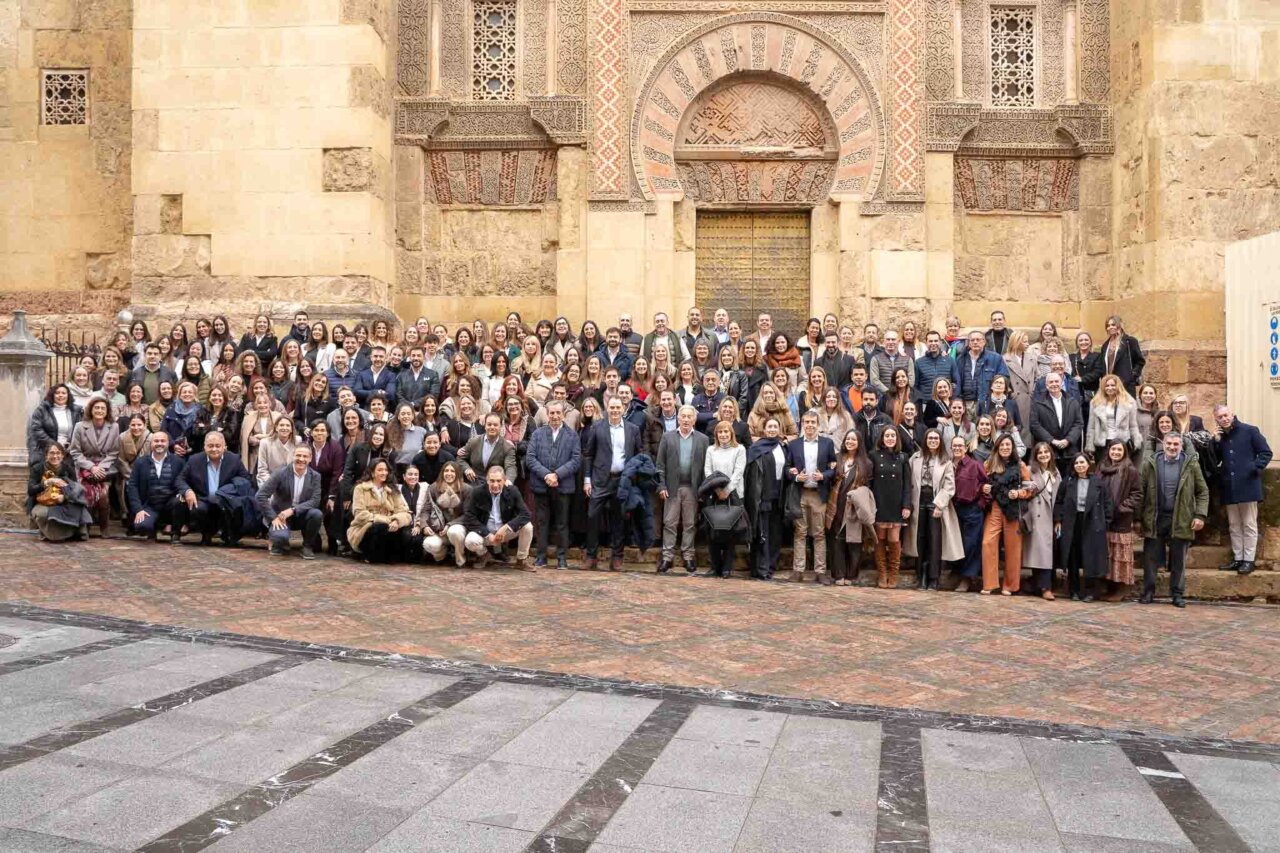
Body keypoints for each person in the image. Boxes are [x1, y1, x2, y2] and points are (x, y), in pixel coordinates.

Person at [1139, 432, 1208, 608]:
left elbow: (1202, 491)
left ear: (1181, 446)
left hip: (1181, 518)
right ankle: (1148, 591)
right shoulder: (1150, 463)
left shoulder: (1191, 464)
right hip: (1155, 517)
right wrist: (1138, 518)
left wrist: (1200, 515)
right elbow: (1140, 491)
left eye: (1176, 444)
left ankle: (1177, 594)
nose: (1172, 447)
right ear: (1163, 444)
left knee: (1178, 560)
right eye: (1169, 443)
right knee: (1150, 558)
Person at [583, 396, 644, 571]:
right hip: (600, 480)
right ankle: (591, 556)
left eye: (618, 407)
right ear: (607, 408)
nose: (615, 410)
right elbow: (588, 454)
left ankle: (617, 557)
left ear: (624, 409)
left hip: (622, 481)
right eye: (612, 407)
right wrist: (587, 480)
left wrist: (633, 478)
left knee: (619, 519)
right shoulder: (597, 427)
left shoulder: (633, 430)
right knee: (592, 517)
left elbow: (639, 454)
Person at [1213, 405, 1273, 576]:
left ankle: (1249, 560)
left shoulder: (1250, 430)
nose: (1224, 419)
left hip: (1248, 485)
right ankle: (1238, 558)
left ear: (1232, 415)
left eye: (1226, 415)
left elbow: (1266, 453)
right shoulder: (1220, 438)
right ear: (1216, 420)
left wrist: (1253, 468)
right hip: (1229, 486)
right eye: (1220, 417)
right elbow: (1216, 459)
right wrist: (1216, 442)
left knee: (1249, 524)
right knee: (1234, 525)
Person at [903, 429, 962, 591]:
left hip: (936, 502)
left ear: (940, 441)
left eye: (936, 438)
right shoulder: (915, 459)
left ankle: (933, 578)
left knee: (935, 541)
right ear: (925, 440)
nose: (933, 441)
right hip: (918, 501)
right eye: (930, 438)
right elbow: (908, 482)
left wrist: (939, 505)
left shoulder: (946, 461)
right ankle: (921, 576)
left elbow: (949, 486)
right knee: (920, 540)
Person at [525, 400, 581, 568]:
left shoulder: (572, 435)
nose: (555, 416)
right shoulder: (537, 434)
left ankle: (561, 558)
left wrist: (557, 475)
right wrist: (546, 475)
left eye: (558, 413)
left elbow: (576, 460)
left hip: (563, 486)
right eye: (552, 413)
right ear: (547, 414)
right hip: (541, 485)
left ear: (563, 414)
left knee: (562, 523)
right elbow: (530, 458)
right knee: (542, 522)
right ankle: (541, 556)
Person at [785, 410, 838, 583]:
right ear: (802, 424)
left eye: (812, 422)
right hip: (800, 493)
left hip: (818, 494)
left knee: (819, 533)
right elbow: (787, 468)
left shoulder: (827, 444)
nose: (809, 425)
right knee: (800, 532)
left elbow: (834, 469)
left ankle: (820, 571)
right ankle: (798, 570)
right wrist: (794, 476)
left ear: (818, 425)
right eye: (806, 422)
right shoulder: (794, 445)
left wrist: (824, 476)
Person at [172, 431, 252, 546]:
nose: (214, 449)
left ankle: (228, 534)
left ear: (224, 446)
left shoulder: (234, 460)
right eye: (210, 446)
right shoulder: (194, 460)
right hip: (201, 499)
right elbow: (180, 479)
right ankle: (200, 534)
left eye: (218, 446)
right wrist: (187, 491)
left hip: (223, 501)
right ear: (204, 446)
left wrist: (230, 491)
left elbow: (246, 480)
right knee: (188, 505)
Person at [656, 405, 709, 574]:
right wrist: (662, 485)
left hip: (692, 488)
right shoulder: (667, 437)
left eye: (689, 417)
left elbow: (705, 467)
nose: (686, 419)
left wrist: (702, 490)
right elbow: (660, 465)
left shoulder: (703, 439)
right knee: (670, 523)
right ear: (678, 419)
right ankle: (667, 557)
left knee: (689, 523)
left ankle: (688, 556)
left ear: (694, 419)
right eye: (683, 416)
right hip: (672, 487)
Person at [450, 465, 535, 569]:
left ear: (504, 481)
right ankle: (484, 555)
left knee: (528, 526)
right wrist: (487, 534)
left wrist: (506, 527)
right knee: (470, 541)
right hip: (485, 533)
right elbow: (469, 517)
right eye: (492, 481)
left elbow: (526, 514)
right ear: (487, 480)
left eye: (499, 481)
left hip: (505, 532)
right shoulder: (477, 492)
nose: (495, 485)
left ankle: (521, 560)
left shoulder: (513, 491)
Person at [1054, 453, 1113, 602]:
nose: (1080, 465)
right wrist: (1058, 520)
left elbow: (1107, 504)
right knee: (1073, 556)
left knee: (1090, 556)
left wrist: (1104, 523)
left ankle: (1090, 591)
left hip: (1092, 522)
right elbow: (1059, 502)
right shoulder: (1067, 482)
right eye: (1076, 463)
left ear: (1088, 464)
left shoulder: (1098, 482)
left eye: (1082, 462)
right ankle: (1073, 590)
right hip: (1072, 521)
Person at [981, 434, 1032, 595]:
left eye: (1008, 445)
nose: (1005, 448)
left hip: (1012, 509)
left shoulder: (1020, 465)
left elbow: (1031, 490)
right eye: (1002, 445)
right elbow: (981, 483)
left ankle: (1010, 586)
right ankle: (989, 584)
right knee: (987, 543)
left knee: (1013, 548)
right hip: (995, 506)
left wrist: (1019, 493)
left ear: (1012, 448)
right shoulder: (989, 464)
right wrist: (984, 488)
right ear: (997, 448)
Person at [825, 429, 874, 585]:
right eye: (848, 439)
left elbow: (868, 486)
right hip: (836, 503)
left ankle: (851, 575)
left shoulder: (866, 463)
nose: (850, 442)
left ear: (859, 443)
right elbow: (829, 479)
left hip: (854, 506)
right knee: (836, 538)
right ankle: (838, 574)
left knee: (854, 540)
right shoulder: (836, 459)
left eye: (854, 439)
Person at [257, 443, 323, 559]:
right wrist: (273, 518)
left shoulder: (315, 476)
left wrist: (293, 510)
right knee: (280, 539)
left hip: (302, 515)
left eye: (305, 456)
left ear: (310, 458)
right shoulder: (280, 473)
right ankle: (278, 540)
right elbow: (260, 495)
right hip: (281, 517)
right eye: (298, 455)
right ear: (293, 456)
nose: (301, 459)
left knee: (317, 514)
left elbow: (315, 500)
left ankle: (307, 547)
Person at [68, 396, 120, 535]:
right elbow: (75, 451)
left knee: (103, 496)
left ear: (107, 411)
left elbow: (114, 451)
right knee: (86, 493)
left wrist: (101, 467)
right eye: (96, 407)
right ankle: (85, 526)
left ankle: (105, 527)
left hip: (104, 467)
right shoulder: (80, 426)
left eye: (103, 408)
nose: (99, 410)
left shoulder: (114, 426)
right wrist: (91, 467)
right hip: (85, 467)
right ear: (91, 409)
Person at [1097, 438, 1141, 601]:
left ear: (1124, 453)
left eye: (1119, 450)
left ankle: (1121, 588)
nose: (1115, 452)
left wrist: (1123, 507)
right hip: (1103, 518)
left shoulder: (1130, 470)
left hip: (1121, 519)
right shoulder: (1101, 469)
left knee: (1119, 555)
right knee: (1108, 555)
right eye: (1113, 449)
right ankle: (1109, 586)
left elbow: (1137, 494)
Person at [702, 419, 747, 578]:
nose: (723, 435)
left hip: (733, 494)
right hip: (714, 493)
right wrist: (716, 488)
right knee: (712, 530)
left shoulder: (739, 449)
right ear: (716, 434)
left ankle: (727, 567)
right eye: (720, 432)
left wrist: (727, 490)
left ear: (731, 433)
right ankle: (715, 566)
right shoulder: (710, 450)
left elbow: (738, 471)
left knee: (730, 531)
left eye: (726, 432)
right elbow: (708, 470)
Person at [744, 416, 787, 580]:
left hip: (779, 497)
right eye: (769, 426)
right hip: (762, 497)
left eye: (775, 426)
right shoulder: (756, 448)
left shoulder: (782, 447)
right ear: (764, 429)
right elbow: (751, 475)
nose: (772, 429)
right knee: (762, 534)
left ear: (779, 429)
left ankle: (771, 565)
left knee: (775, 534)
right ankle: (761, 567)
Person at [869, 424, 911, 588]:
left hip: (897, 503)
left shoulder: (903, 457)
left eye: (893, 436)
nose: (890, 438)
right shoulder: (874, 456)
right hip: (879, 502)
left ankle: (893, 574)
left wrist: (906, 505)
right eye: (887, 436)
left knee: (893, 539)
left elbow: (907, 484)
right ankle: (882, 573)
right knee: (880, 538)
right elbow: (870, 482)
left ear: (897, 438)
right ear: (882, 438)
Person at [347, 458, 413, 563]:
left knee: (398, 534)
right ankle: (367, 554)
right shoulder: (360, 488)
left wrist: (396, 521)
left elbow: (405, 512)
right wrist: (385, 520)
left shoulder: (392, 489)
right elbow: (360, 514)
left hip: (389, 528)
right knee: (380, 527)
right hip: (365, 529)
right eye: (380, 470)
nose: (384, 473)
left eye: (386, 470)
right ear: (372, 472)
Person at [28, 442, 94, 541]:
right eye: (52, 453)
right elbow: (31, 490)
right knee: (43, 514)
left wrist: (64, 497)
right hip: (44, 503)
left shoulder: (68, 469)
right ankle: (50, 533)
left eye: (58, 453)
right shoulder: (38, 468)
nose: (55, 456)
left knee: (81, 510)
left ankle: (72, 533)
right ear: (46, 455)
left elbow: (75, 489)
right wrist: (48, 482)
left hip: (63, 501)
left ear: (62, 455)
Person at [1021, 442, 1061, 600]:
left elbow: (1060, 497)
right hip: (1037, 515)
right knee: (1041, 553)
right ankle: (1045, 588)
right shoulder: (1030, 471)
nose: (1043, 455)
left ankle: (1039, 585)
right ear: (1035, 456)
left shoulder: (1056, 472)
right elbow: (1026, 492)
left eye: (1046, 452)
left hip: (1051, 516)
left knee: (1046, 552)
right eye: (1040, 453)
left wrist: (1058, 519)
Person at [1030, 372, 1083, 470]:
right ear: (1046, 385)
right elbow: (1034, 425)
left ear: (1062, 383)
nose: (1054, 384)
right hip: (1047, 451)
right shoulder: (1037, 403)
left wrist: (1068, 440)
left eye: (1056, 381)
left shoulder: (1072, 401)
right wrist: (1051, 440)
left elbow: (1078, 423)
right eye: (1051, 382)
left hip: (1069, 451)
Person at [952, 330, 1008, 420]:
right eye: (972, 340)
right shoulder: (961, 359)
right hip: (965, 403)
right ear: (968, 343)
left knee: (985, 428)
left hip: (986, 403)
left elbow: (1004, 378)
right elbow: (956, 381)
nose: (975, 342)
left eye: (978, 340)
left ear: (984, 342)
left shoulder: (995, 358)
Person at [1086, 374, 1143, 457]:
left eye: (1113, 385)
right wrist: (1090, 445)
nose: (1110, 388)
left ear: (1118, 386)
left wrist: (1136, 441)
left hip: (1121, 442)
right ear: (1103, 387)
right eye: (1107, 385)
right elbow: (1091, 426)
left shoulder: (1129, 402)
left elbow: (1133, 425)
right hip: (1102, 443)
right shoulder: (1095, 402)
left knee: (1120, 468)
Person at [28, 383, 82, 464]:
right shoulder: (42, 410)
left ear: (68, 395)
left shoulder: (76, 411)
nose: (60, 395)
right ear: (52, 395)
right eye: (57, 393)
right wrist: (54, 445)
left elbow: (80, 431)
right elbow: (36, 429)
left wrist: (71, 445)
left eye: (63, 393)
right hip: (47, 452)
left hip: (69, 453)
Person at [459, 412, 518, 484]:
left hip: (495, 484)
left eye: (495, 425)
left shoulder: (507, 447)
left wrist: (508, 480)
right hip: (475, 482)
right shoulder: (474, 441)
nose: (492, 427)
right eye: (489, 424)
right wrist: (466, 469)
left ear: (500, 426)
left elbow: (510, 467)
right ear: (485, 426)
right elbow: (460, 458)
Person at [1099, 315, 1145, 395]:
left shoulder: (1129, 341)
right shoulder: (1105, 345)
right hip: (1109, 386)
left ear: (1119, 325)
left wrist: (1131, 375)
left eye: (1113, 325)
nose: (1110, 327)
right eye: (1108, 325)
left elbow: (1140, 361)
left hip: (1125, 384)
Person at [915, 330, 955, 400]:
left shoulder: (950, 361)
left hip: (945, 403)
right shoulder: (918, 363)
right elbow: (915, 386)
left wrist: (951, 398)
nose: (933, 343)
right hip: (926, 403)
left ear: (940, 343)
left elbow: (956, 383)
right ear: (926, 343)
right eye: (930, 341)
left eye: (936, 341)